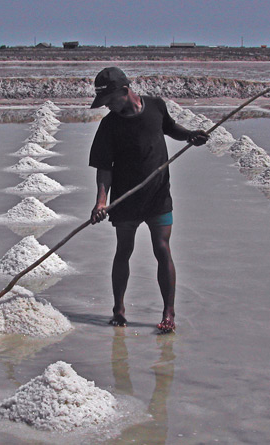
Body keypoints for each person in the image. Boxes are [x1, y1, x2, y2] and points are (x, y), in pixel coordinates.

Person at [88, 67, 208, 333]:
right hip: (125, 200)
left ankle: (169, 312)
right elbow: (104, 168)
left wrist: (189, 135)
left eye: (110, 100)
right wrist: (101, 202)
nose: (108, 107)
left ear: (124, 91)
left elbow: (170, 128)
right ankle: (118, 310)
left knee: (162, 249)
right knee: (124, 251)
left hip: (158, 195)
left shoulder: (156, 106)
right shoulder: (110, 125)